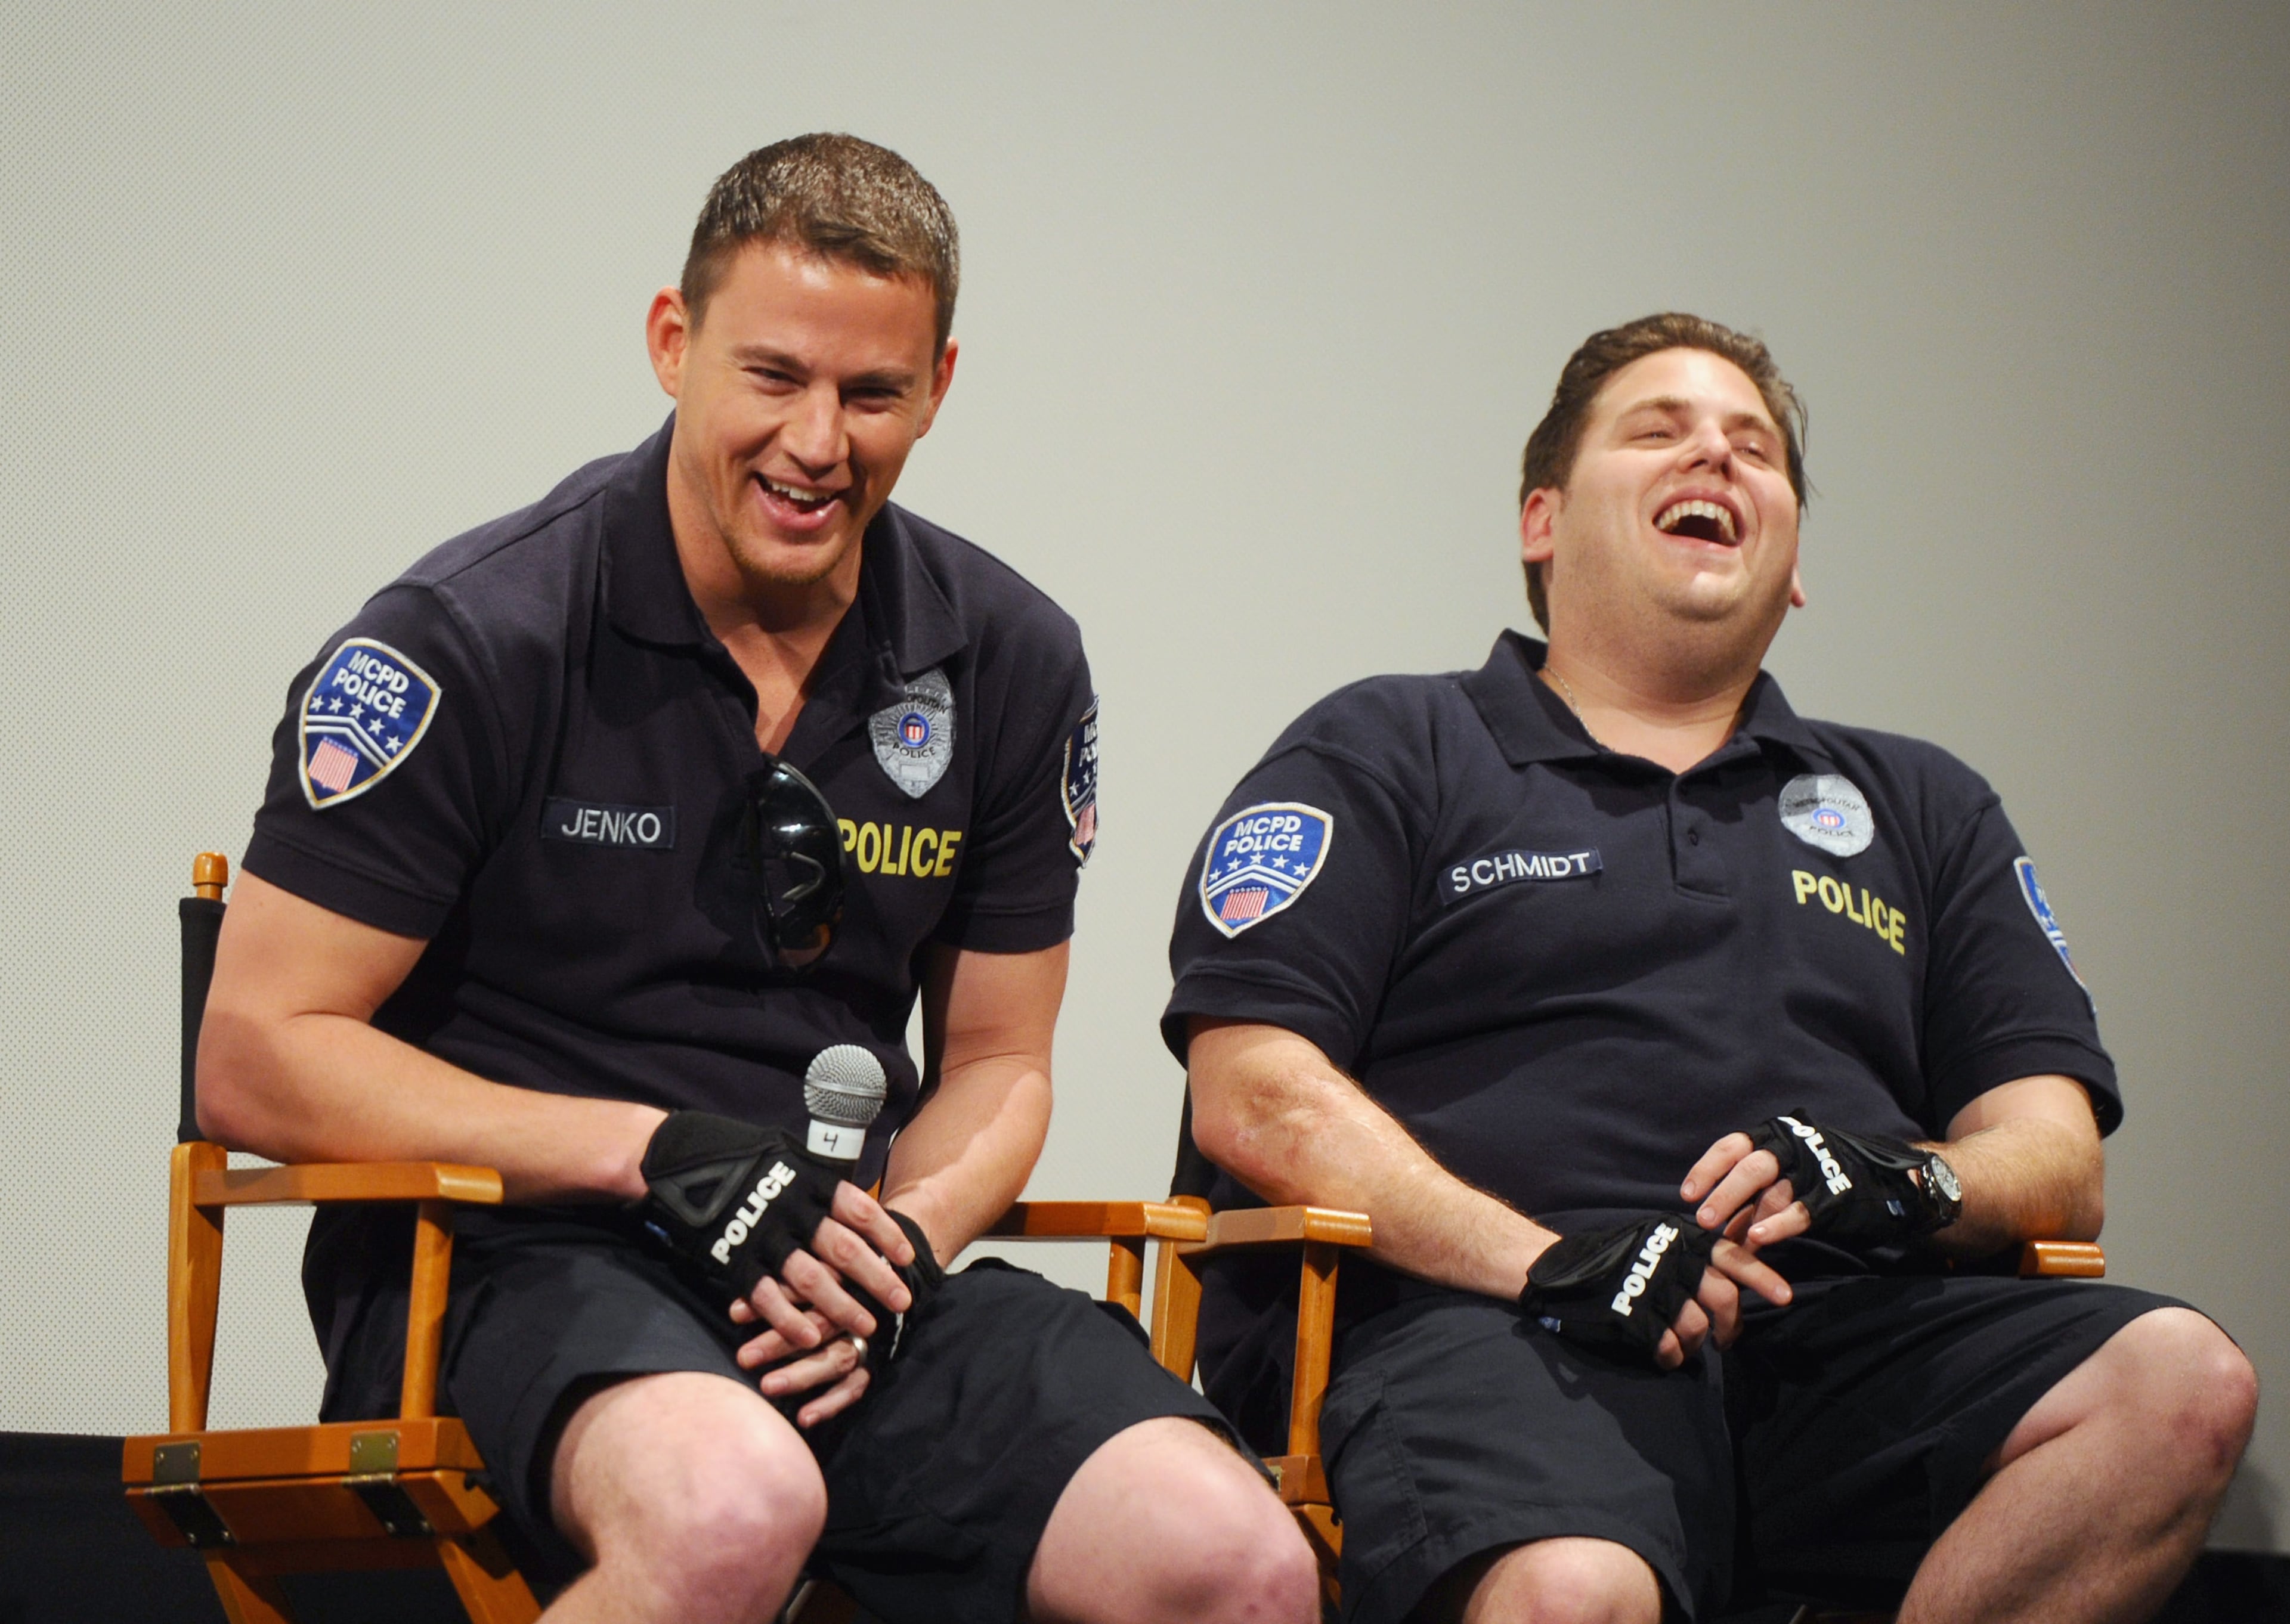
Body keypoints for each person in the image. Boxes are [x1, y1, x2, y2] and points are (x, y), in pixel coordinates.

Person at [198, 134, 1316, 1624]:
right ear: (674, 343)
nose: (817, 442)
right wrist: (652, 1152)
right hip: (505, 1254)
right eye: (773, 377)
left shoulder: (1012, 657)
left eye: (872, 395)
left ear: (939, 387)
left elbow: (997, 1063)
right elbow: (255, 1056)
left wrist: (892, 1245)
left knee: (1233, 1559)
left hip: (836, 1275)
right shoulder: (475, 637)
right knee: (737, 1503)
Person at [1163, 312, 2256, 1624]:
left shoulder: (1921, 802)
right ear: (1542, 520)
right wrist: (1550, 1262)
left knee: (2181, 1383)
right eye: (1660, 431)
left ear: (1795, 562)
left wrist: (1898, 1182)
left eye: (1756, 448)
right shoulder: (1392, 744)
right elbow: (1255, 1095)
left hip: (1834, 1337)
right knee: (1574, 1592)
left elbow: (2058, 1161)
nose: (1719, 459)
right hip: (1499, 1329)